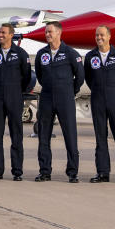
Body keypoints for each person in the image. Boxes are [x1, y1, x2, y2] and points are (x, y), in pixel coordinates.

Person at [35, 22, 85, 183]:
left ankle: (72, 172)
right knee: (43, 136)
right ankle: (44, 171)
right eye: (46, 32)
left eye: (50, 32)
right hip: (47, 99)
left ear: (59, 33)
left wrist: (70, 91)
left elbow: (80, 76)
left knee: (70, 135)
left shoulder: (70, 53)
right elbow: (40, 76)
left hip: (65, 99)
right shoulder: (41, 54)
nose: (47, 34)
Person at [84, 25, 115, 184]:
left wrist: (114, 91)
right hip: (98, 100)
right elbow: (89, 78)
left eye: (102, 35)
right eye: (97, 35)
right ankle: (103, 172)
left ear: (109, 36)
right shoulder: (91, 56)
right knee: (100, 137)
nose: (99, 38)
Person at [0, 23, 32, 181]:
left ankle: (17, 171)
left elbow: (27, 77)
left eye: (4, 32)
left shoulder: (20, 54)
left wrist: (17, 90)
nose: (0, 35)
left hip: (15, 97)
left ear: (11, 35)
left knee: (16, 135)